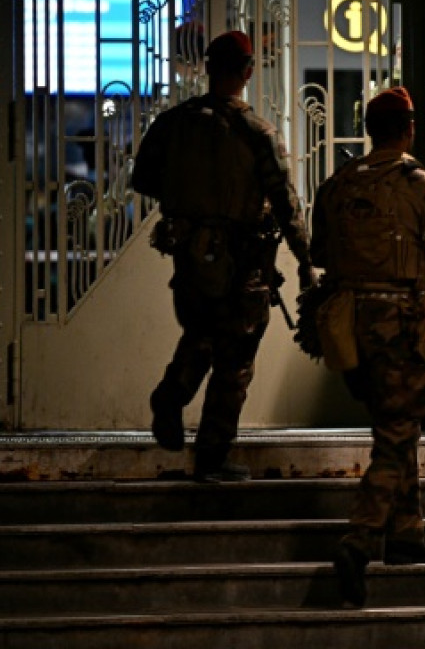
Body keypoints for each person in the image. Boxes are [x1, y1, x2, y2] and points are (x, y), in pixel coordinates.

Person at [305, 86, 425, 609]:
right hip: (401, 326)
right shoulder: (424, 186)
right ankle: (359, 540)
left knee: (396, 425)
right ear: (409, 128)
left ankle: (406, 534)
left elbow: (321, 252)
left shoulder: (336, 186)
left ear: (371, 129)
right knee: (396, 437)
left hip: (351, 328)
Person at [130, 29, 314, 483]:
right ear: (248, 72)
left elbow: (143, 180)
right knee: (236, 357)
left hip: (191, 257)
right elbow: (288, 205)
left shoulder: (172, 124)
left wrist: (192, 208)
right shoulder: (257, 133)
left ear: (208, 67)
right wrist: (306, 262)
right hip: (244, 262)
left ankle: (171, 396)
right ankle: (212, 455)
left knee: (200, 333)